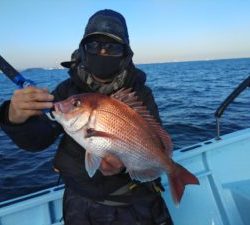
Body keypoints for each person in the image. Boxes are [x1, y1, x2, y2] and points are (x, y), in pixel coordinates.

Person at [0, 9, 173, 225]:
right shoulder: (68, 91)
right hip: (78, 199)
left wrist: (121, 165)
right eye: (93, 45)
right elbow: (39, 139)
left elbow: (152, 141)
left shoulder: (140, 93)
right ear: (82, 50)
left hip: (131, 200)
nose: (101, 51)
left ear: (125, 53)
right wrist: (14, 117)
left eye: (112, 46)